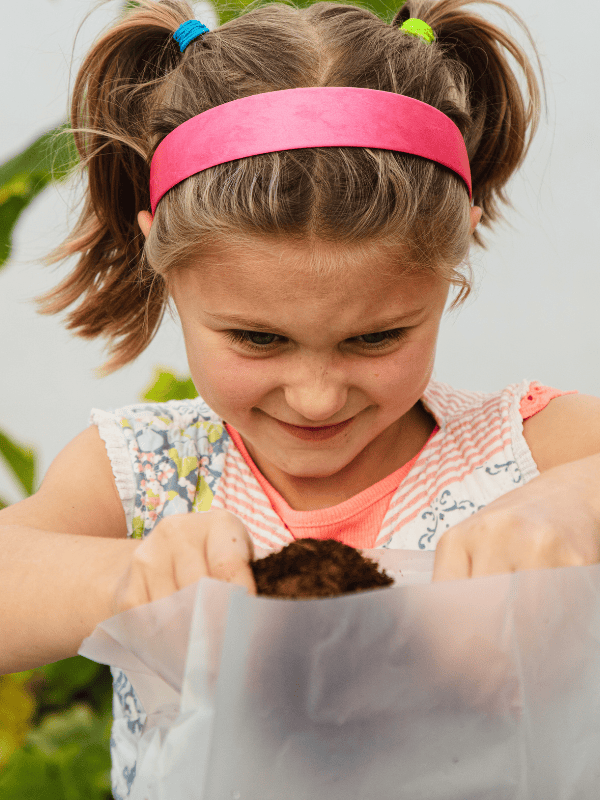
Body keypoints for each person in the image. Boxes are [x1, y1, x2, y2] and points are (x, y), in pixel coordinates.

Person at [2, 0, 600, 795]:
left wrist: (572, 507)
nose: (316, 398)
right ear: (161, 257)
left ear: (456, 252)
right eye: (258, 339)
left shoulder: (529, 453)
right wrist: (130, 582)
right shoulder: (150, 473)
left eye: (376, 338)